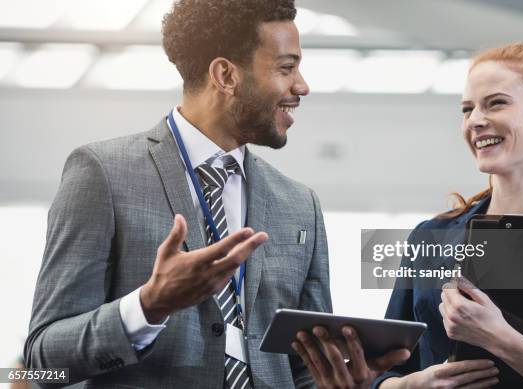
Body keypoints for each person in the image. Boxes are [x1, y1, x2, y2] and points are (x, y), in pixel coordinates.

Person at [25, 1, 341, 387]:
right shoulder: (103, 174)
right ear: (226, 75)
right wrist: (148, 306)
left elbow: (308, 369)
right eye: (286, 68)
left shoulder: (300, 205)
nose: (302, 85)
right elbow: (42, 360)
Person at [376, 43, 523, 388]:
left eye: (496, 103)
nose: (476, 121)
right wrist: (412, 385)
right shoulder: (431, 235)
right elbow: (386, 370)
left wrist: (499, 337)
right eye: (467, 109)